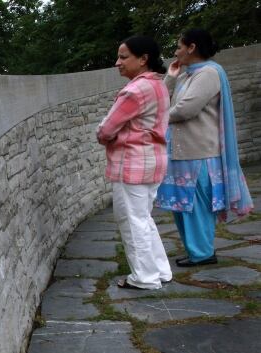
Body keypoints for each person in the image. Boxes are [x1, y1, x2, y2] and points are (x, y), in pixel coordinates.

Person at [155, 29, 254, 267]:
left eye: (179, 46)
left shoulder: (209, 73)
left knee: (196, 205)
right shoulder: (187, 74)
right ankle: (194, 250)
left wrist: (156, 120)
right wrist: (170, 77)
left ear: (191, 47)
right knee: (182, 205)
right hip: (182, 150)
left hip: (199, 151)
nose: (176, 52)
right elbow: (161, 98)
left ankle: (203, 253)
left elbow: (187, 109)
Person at [97, 36, 172, 289]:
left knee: (132, 221)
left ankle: (145, 278)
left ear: (143, 59)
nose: (117, 62)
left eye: (123, 57)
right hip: (153, 162)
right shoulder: (158, 85)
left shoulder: (133, 91)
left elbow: (106, 129)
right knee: (144, 218)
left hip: (132, 165)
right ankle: (160, 271)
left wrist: (109, 135)